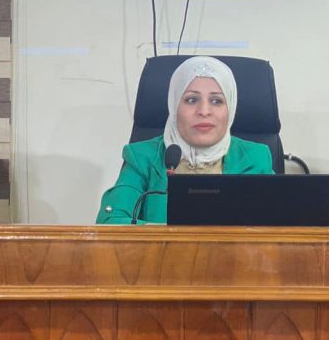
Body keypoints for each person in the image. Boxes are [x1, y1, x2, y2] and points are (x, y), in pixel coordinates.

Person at [97, 56, 274, 224]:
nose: (204, 111)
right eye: (191, 100)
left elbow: (282, 222)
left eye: (216, 101)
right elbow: (110, 221)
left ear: (231, 108)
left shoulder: (256, 158)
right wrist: (175, 235)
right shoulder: (143, 157)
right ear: (174, 105)